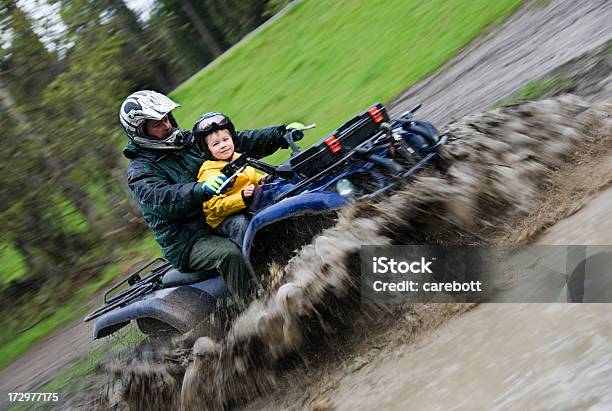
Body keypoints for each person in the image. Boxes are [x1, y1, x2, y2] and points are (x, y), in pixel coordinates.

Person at [119, 90, 302, 307]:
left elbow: (233, 142)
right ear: (141, 132)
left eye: (166, 118)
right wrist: (200, 189)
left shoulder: (184, 141)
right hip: (188, 239)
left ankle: (292, 272)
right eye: (157, 124)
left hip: (220, 214)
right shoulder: (141, 170)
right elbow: (161, 199)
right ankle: (259, 309)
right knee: (229, 254)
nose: (167, 125)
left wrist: (280, 135)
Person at [194, 112, 265, 247]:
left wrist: (262, 180)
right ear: (207, 150)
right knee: (241, 224)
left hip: (244, 203)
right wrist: (242, 198)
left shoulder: (237, 158)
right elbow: (215, 207)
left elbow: (250, 175)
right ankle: (255, 257)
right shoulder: (209, 172)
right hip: (224, 218)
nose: (223, 145)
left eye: (225, 140)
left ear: (232, 138)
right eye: (215, 144)